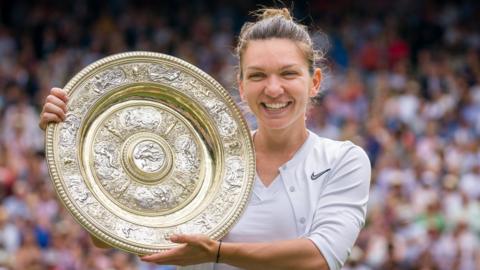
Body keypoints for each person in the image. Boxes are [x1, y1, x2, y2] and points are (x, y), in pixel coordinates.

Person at [39, 7, 371, 270]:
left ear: (313, 82)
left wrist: (216, 253)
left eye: (288, 73)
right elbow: (108, 238)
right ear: (241, 86)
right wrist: (69, 136)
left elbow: (319, 257)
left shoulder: (342, 160)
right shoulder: (205, 158)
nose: (273, 89)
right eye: (257, 75)